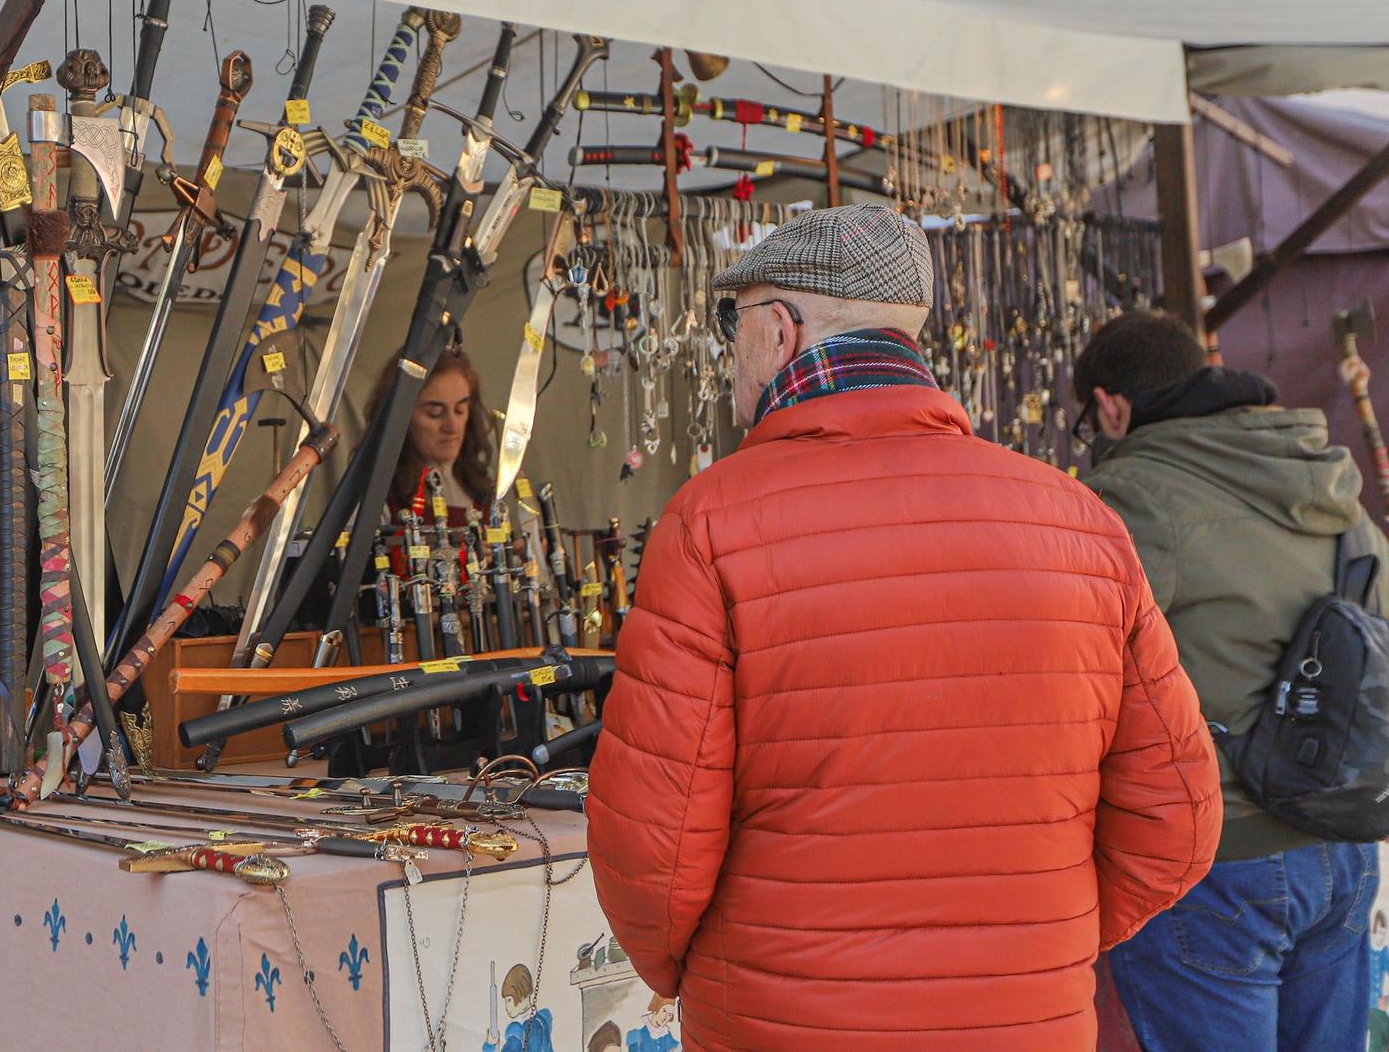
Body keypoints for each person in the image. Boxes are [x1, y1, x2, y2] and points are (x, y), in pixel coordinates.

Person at [586, 203, 1221, 1050]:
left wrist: (702, 970)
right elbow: (1179, 821)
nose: (730, 355)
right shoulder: (1079, 523)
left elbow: (652, 855)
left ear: (780, 331)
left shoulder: (709, 524)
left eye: (734, 326)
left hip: (789, 1023)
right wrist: (1031, 946)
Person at [1075, 310, 1388, 1051]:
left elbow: (1074, 669)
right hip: (1343, 846)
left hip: (1213, 862)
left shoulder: (1132, 498)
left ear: (1110, 405)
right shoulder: (1325, 471)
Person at [364, 343, 496, 515]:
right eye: (435, 413)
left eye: (460, 410)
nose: (452, 426)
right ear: (401, 417)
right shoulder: (378, 498)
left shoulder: (479, 489)